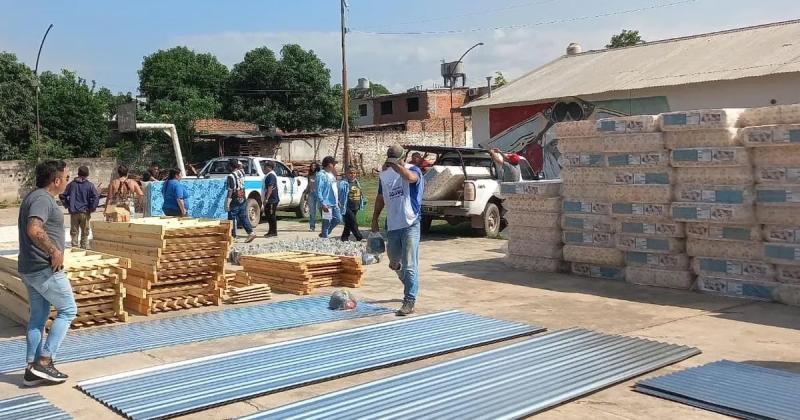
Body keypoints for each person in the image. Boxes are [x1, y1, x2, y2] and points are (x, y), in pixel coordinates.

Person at [18, 160, 77, 385]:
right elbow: (34, 229)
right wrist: (54, 251)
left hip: (30, 268)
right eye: (66, 177)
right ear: (56, 180)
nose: (67, 180)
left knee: (38, 318)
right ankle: (45, 361)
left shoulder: (34, 196)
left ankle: (31, 370)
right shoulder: (42, 199)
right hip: (44, 268)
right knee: (68, 310)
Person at [372, 145, 425, 316]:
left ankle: (409, 300)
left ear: (403, 157)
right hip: (393, 224)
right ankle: (411, 283)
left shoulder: (414, 169)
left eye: (395, 159)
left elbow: (410, 178)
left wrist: (396, 166)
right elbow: (380, 198)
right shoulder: (385, 176)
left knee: (410, 264)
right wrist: (374, 219)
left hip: (410, 223)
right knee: (394, 262)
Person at [59, 166, 99, 249]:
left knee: (74, 231)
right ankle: (83, 247)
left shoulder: (71, 185)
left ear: (78, 173)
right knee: (85, 231)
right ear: (87, 174)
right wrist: (92, 208)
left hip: (74, 213)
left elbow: (62, 196)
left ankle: (74, 247)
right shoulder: (90, 185)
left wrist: (68, 205)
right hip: (85, 212)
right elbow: (96, 197)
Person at [225, 159, 256, 243]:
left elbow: (230, 190)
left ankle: (233, 236)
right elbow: (241, 166)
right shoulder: (241, 172)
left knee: (232, 217)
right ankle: (251, 232)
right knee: (243, 216)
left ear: (231, 166)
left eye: (229, 165)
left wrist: (228, 202)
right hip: (242, 197)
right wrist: (238, 163)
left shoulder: (231, 176)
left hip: (235, 198)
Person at [316, 156, 341, 238]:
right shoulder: (321, 175)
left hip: (334, 202)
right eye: (334, 164)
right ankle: (324, 238)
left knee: (338, 219)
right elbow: (318, 190)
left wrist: (338, 200)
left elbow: (334, 188)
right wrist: (323, 203)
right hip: (326, 202)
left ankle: (325, 233)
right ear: (329, 164)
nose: (334, 166)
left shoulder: (331, 175)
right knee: (326, 222)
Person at [338, 166, 366, 242]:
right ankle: (359, 237)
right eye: (350, 173)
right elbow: (338, 193)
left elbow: (360, 192)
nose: (352, 174)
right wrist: (338, 202)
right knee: (353, 222)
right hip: (346, 206)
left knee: (348, 223)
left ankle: (344, 237)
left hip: (355, 206)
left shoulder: (357, 182)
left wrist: (363, 200)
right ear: (346, 174)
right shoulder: (343, 183)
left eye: (354, 173)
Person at [262, 160, 279, 237]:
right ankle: (270, 230)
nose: (263, 168)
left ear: (269, 167)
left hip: (272, 199)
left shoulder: (271, 175)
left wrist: (266, 198)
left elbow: (270, 188)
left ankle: (274, 231)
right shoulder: (268, 175)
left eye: (265, 167)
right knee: (268, 215)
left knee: (271, 215)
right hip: (269, 199)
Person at [307, 162, 322, 232]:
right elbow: (309, 184)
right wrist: (306, 191)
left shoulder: (319, 174)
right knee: (312, 211)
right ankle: (312, 226)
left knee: (321, 210)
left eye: (314, 166)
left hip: (318, 194)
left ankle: (325, 225)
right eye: (312, 166)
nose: (313, 167)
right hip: (311, 194)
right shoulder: (309, 174)